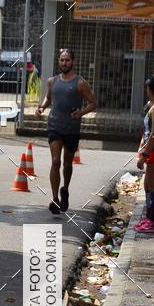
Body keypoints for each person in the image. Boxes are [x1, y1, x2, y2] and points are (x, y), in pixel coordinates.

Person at [35, 48, 97, 214]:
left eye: (67, 60)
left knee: (67, 163)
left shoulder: (80, 83)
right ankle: (55, 198)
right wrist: (41, 108)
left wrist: (81, 113)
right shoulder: (52, 81)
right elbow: (49, 97)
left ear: (73, 62)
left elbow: (93, 103)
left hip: (72, 129)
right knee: (56, 161)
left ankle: (65, 190)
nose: (64, 63)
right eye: (62, 60)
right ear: (59, 61)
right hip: (54, 126)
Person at [136, 75, 154, 234]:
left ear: (150, 89)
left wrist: (145, 153)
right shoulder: (153, 106)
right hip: (152, 150)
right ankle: (151, 217)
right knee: (150, 185)